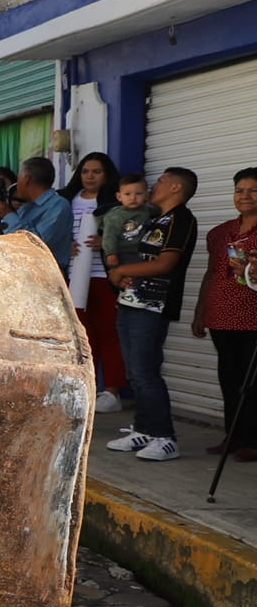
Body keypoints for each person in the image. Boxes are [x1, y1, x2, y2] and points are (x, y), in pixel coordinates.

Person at [105, 168, 200, 463]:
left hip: (154, 305)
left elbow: (165, 264)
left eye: (159, 182)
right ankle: (143, 429)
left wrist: (121, 271)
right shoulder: (155, 218)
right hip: (133, 301)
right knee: (135, 370)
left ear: (174, 187)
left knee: (146, 371)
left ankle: (164, 436)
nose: (153, 186)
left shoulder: (181, 219)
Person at [192, 168, 257, 463]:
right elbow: (211, 273)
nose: (244, 196)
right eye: (239, 190)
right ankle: (232, 436)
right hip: (221, 316)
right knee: (228, 378)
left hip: (252, 318)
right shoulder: (219, 233)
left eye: (253, 190)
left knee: (252, 381)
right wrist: (200, 311)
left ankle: (253, 441)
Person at [61, 153, 126, 413]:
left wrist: (107, 242)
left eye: (97, 172)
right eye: (86, 171)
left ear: (107, 175)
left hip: (103, 276)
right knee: (83, 336)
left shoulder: (116, 202)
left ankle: (112, 391)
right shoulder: (67, 200)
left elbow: (130, 233)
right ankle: (87, 387)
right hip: (75, 276)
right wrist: (66, 245)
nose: (90, 176)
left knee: (109, 334)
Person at [0, 157, 71, 271]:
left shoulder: (58, 206)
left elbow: (37, 243)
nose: (17, 184)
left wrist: (8, 214)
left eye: (18, 178)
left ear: (26, 179)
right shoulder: (27, 207)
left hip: (46, 275)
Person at [99, 174, 156, 295]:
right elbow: (109, 236)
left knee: (141, 273)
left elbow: (162, 211)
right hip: (120, 252)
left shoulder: (147, 210)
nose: (133, 198)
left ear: (146, 195)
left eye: (139, 194)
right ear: (119, 196)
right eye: (128, 194)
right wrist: (111, 253)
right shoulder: (115, 216)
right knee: (132, 277)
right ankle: (131, 296)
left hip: (138, 251)